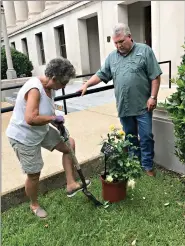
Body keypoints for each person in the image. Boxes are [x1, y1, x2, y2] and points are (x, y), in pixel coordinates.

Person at [6, 57, 90, 218]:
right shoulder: (34, 89)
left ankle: (71, 184)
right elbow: (30, 118)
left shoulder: (50, 88)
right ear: (53, 78)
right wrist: (52, 119)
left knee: (69, 144)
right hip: (23, 136)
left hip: (41, 130)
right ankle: (34, 205)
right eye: (63, 83)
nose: (63, 87)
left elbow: (46, 113)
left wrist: (57, 122)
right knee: (34, 173)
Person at [79, 23, 162, 177]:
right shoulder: (112, 57)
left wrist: (153, 97)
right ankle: (133, 163)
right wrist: (87, 84)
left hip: (144, 105)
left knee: (146, 137)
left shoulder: (145, 51)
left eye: (121, 41)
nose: (118, 46)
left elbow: (155, 76)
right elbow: (101, 74)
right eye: (115, 43)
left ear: (129, 37)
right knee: (130, 138)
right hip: (124, 107)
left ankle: (147, 165)